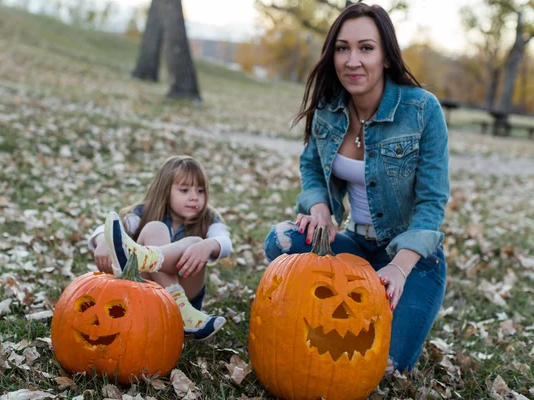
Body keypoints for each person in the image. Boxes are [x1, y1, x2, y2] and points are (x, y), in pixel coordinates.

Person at [263, 3, 449, 373]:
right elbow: (311, 165)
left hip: (412, 261)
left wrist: (398, 267)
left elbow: (432, 203)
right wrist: (319, 209)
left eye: (366, 48)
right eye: (342, 48)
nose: (352, 60)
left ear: (386, 58)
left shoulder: (422, 110)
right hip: (354, 247)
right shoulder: (329, 109)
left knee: (383, 367)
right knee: (283, 240)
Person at [89, 155, 232, 341]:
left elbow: (225, 241)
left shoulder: (208, 218)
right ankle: (177, 305)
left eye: (200, 190)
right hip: (144, 297)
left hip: (188, 292)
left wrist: (208, 245)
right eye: (184, 190)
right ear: (165, 190)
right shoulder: (143, 213)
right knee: (155, 228)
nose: (194, 197)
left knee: (197, 242)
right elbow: (111, 227)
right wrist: (102, 241)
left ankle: (141, 258)